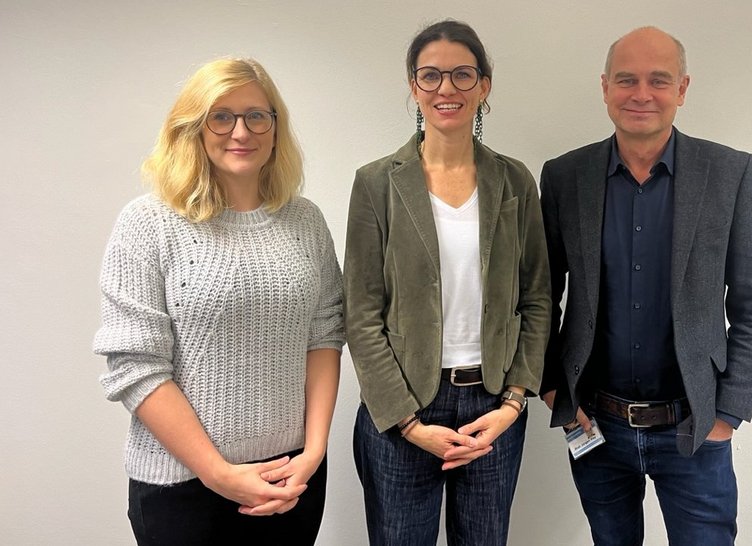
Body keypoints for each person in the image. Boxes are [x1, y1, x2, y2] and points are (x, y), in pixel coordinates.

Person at [93, 58, 344, 545]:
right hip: (182, 489)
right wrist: (218, 473)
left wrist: (313, 452)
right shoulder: (148, 223)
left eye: (256, 116)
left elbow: (325, 335)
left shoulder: (305, 221)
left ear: (275, 127)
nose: (240, 131)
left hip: (290, 481)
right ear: (194, 128)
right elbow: (137, 366)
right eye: (221, 116)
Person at [539, 26, 752, 545]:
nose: (641, 94)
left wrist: (727, 414)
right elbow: (540, 297)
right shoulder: (563, 177)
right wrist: (555, 391)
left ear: (683, 89)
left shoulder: (731, 174)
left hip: (694, 429)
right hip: (595, 426)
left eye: (658, 80)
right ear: (604, 88)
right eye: (626, 80)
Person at [344, 19, 550, 546]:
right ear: (413, 86)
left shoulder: (515, 181)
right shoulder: (376, 183)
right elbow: (362, 313)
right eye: (431, 76)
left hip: (492, 408)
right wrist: (409, 424)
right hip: (403, 411)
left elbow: (537, 298)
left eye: (463, 75)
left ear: (484, 85)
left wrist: (513, 403)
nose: (447, 89)